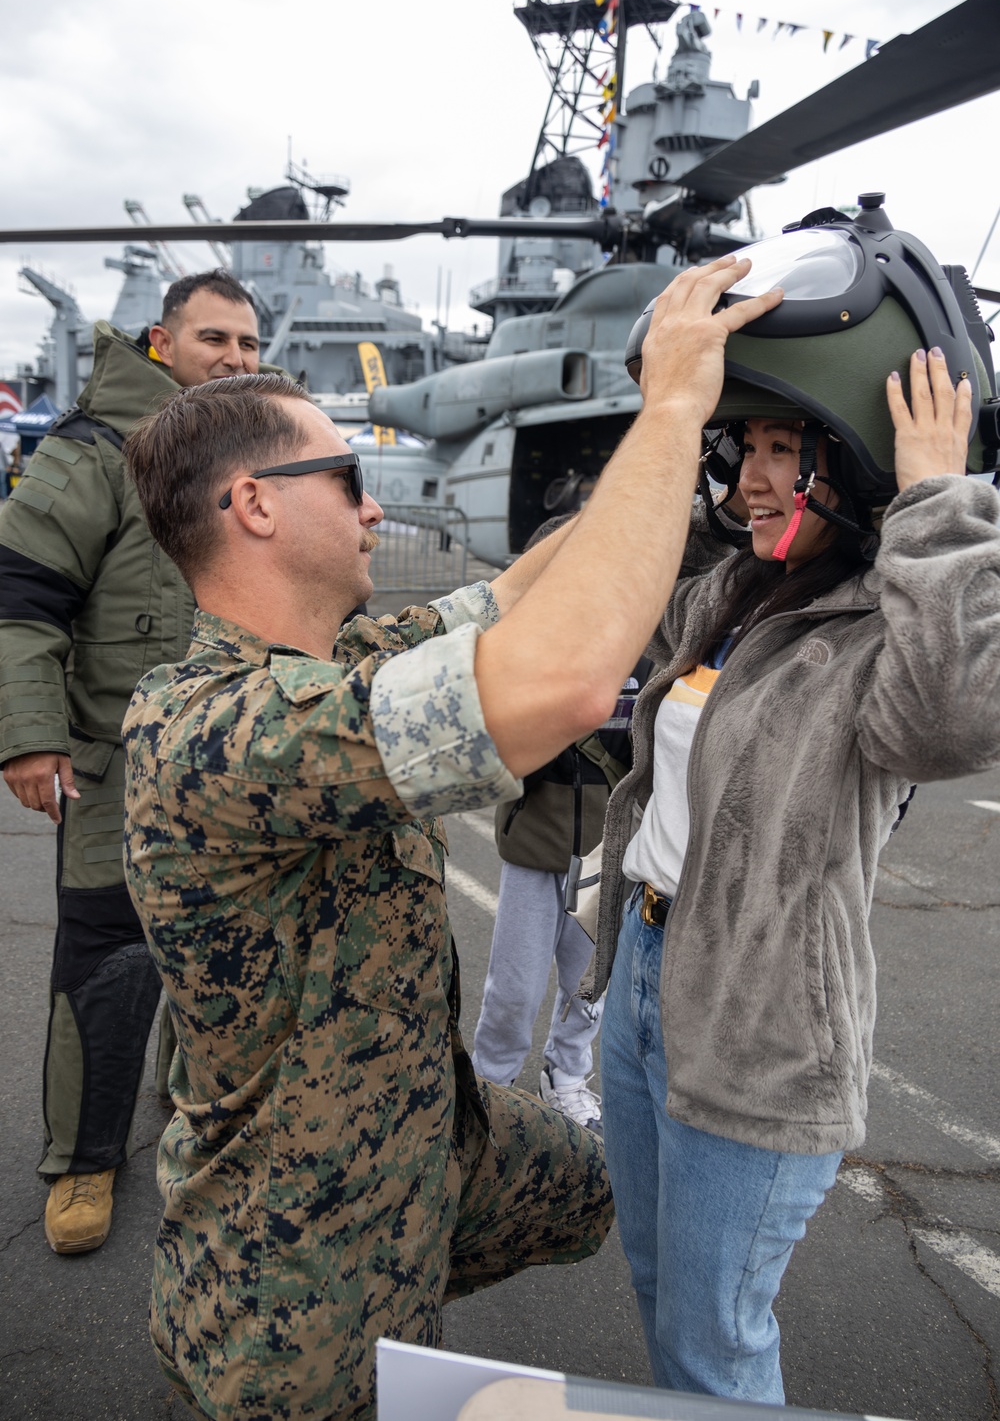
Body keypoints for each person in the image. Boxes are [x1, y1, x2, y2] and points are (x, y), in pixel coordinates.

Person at [118, 264, 779, 1421]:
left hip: (424, 1141)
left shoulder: (336, 663)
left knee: (598, 1182)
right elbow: (565, 681)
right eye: (347, 480)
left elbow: (518, 594)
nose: (374, 508)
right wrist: (674, 404)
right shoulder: (213, 733)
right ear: (257, 506)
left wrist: (691, 464)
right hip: (295, 1271)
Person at [592, 207, 1000, 1404]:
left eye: (785, 448)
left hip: (764, 1029)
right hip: (644, 976)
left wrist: (937, 500)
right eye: (744, 446)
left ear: (855, 460)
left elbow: (953, 723)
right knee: (660, 1291)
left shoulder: (885, 622)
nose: (751, 476)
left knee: (714, 1342)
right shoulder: (734, 592)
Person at [0, 268, 261, 1255]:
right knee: (109, 965)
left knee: (219, 956)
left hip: (235, 762)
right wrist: (29, 734)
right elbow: (20, 591)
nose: (233, 359)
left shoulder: (249, 459)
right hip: (123, 771)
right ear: (163, 343)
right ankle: (83, 1161)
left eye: (246, 343)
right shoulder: (98, 454)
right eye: (214, 340)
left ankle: (192, 1111)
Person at [471, 512, 648, 1129]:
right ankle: (492, 1082)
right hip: (535, 836)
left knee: (588, 985)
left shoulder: (645, 642)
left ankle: (567, 1075)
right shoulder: (524, 641)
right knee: (514, 986)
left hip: (609, 845)